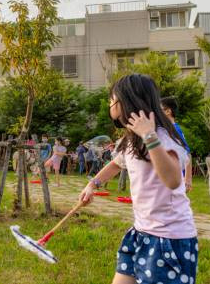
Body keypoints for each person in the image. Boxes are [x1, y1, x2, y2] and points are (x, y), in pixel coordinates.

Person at [79, 74, 197, 284]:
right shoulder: (130, 139)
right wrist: (92, 184)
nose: (109, 103)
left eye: (111, 98)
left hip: (169, 239)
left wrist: (149, 136)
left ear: (126, 100)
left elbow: (172, 180)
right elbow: (116, 163)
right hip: (140, 232)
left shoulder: (162, 136)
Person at [161, 96, 193, 192]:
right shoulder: (165, 129)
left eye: (159, 109)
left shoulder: (174, 129)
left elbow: (187, 154)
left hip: (175, 177)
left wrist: (188, 179)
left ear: (168, 111)